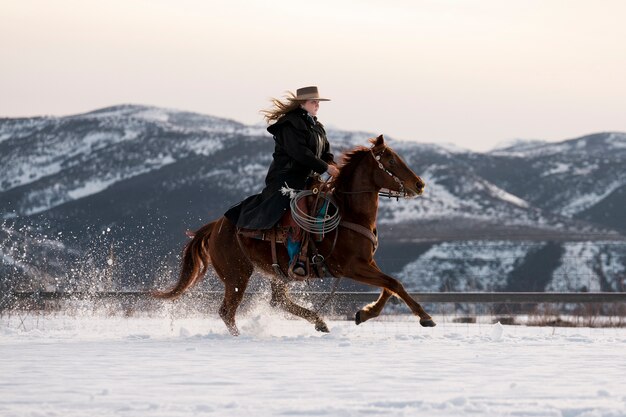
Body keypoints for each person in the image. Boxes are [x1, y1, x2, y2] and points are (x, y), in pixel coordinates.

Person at [224, 86, 339, 276]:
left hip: (310, 179)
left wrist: (332, 166)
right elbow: (300, 153)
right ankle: (297, 260)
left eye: (318, 102)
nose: (317, 104)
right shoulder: (289, 124)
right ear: (302, 103)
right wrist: (326, 168)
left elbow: (326, 153)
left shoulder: (317, 127)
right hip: (287, 179)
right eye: (313, 101)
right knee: (299, 208)